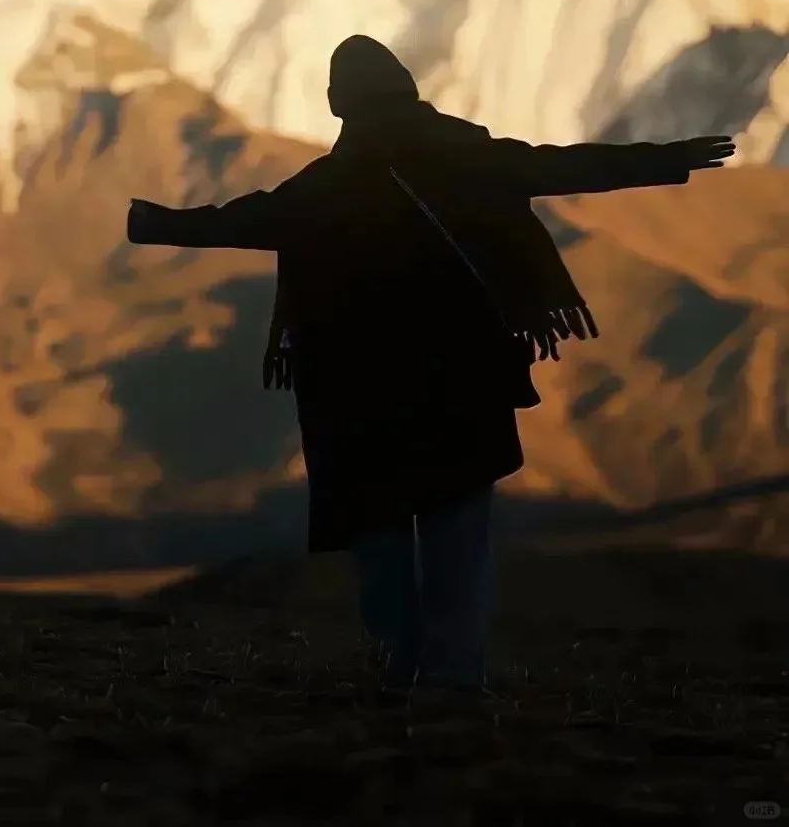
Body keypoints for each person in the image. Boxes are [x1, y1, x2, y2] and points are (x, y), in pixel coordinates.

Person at [126, 35, 736, 693]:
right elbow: (561, 167)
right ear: (409, 89)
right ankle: (452, 680)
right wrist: (668, 159)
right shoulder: (468, 157)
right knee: (458, 544)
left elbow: (241, 220)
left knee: (381, 544)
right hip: (465, 390)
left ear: (339, 101)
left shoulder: (328, 185)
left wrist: (155, 222)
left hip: (360, 402)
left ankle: (399, 666)